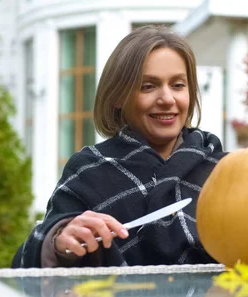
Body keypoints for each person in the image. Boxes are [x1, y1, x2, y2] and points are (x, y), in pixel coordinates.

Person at [12, 25, 227, 268]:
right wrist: (59, 242)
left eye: (178, 85)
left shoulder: (225, 172)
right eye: (148, 86)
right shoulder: (88, 172)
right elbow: (26, 269)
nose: (167, 99)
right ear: (118, 96)